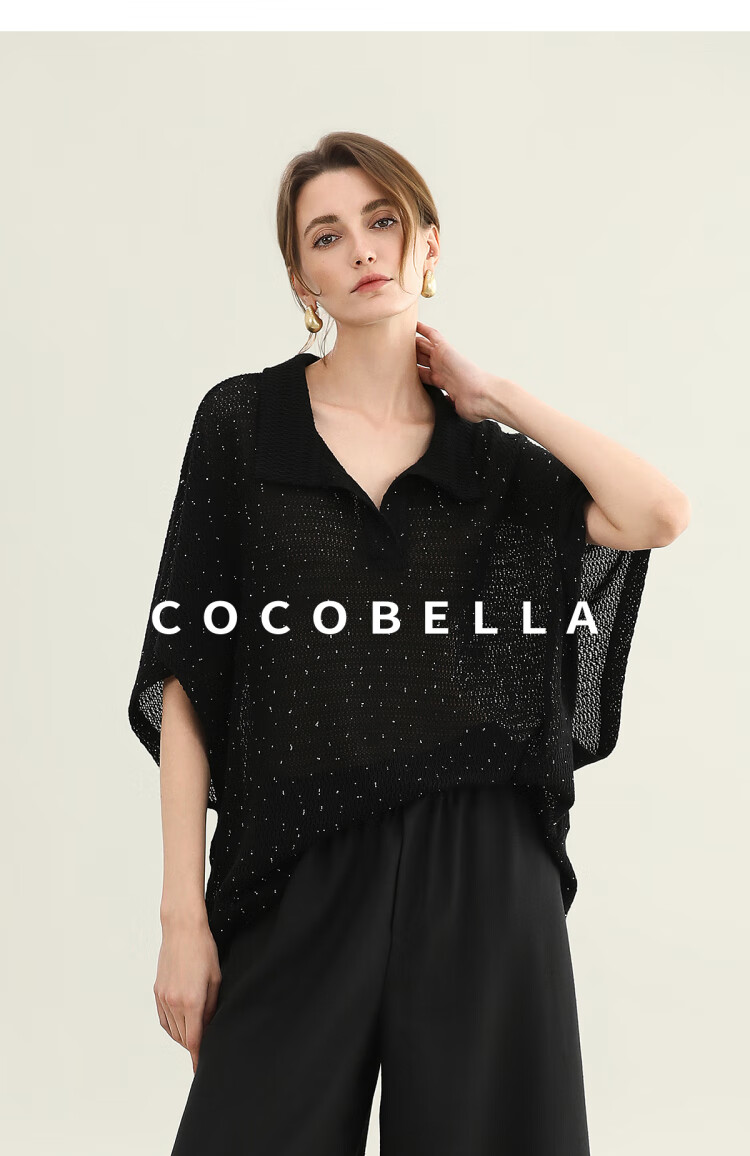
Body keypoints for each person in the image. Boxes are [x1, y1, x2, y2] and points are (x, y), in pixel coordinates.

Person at [128, 131, 690, 1155]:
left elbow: (656, 513)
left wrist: (497, 396)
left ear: (429, 243)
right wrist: (181, 915)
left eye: (383, 221)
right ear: (301, 277)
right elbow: (186, 677)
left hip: (483, 859)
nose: (360, 248)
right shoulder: (243, 424)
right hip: (296, 857)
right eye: (326, 235)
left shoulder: (490, 460)